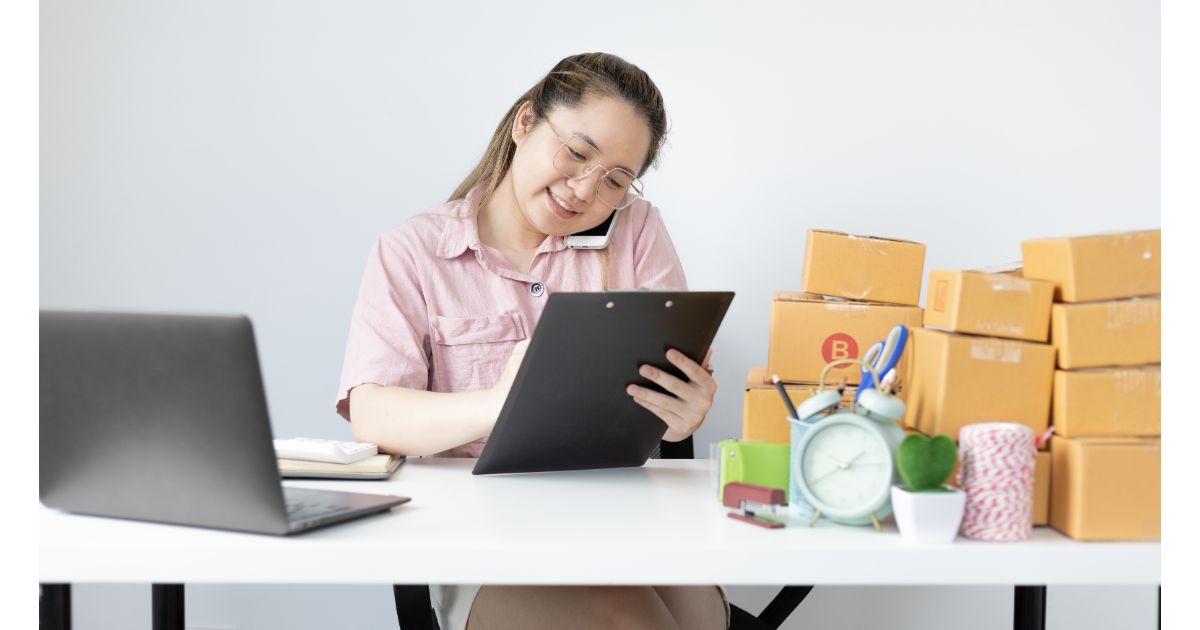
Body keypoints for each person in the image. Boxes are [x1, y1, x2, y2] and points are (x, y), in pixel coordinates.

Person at [336, 52, 728, 630]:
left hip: (623, 519)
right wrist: (497, 402)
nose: (584, 190)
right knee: (625, 618)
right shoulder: (412, 252)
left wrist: (683, 414)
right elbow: (371, 413)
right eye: (576, 153)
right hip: (481, 540)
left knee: (702, 618)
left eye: (615, 180)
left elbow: (669, 402)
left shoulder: (638, 231)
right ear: (525, 123)